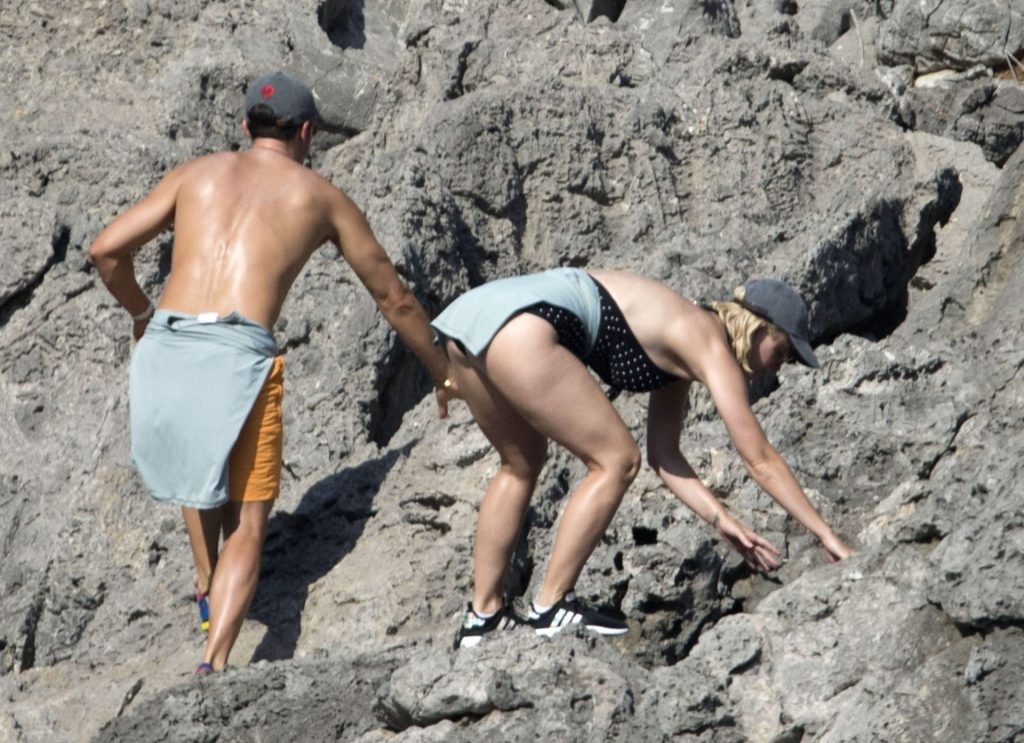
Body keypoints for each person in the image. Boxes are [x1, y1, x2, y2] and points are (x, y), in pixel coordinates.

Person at [89, 71, 455, 673]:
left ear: (245, 126)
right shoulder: (321, 197)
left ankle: (206, 582)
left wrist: (142, 314)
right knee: (249, 523)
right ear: (306, 132)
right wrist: (441, 371)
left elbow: (105, 250)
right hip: (238, 352)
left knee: (198, 468)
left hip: (169, 344)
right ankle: (214, 662)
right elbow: (393, 298)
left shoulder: (195, 173)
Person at [432, 267, 853, 648]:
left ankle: (483, 617)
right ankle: (551, 606)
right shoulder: (709, 341)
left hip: (469, 323)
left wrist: (721, 520)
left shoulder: (684, 346)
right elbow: (759, 459)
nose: (778, 367)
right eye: (783, 352)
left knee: (521, 463)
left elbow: (664, 455)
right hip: (521, 324)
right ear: (758, 329)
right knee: (616, 460)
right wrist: (825, 535)